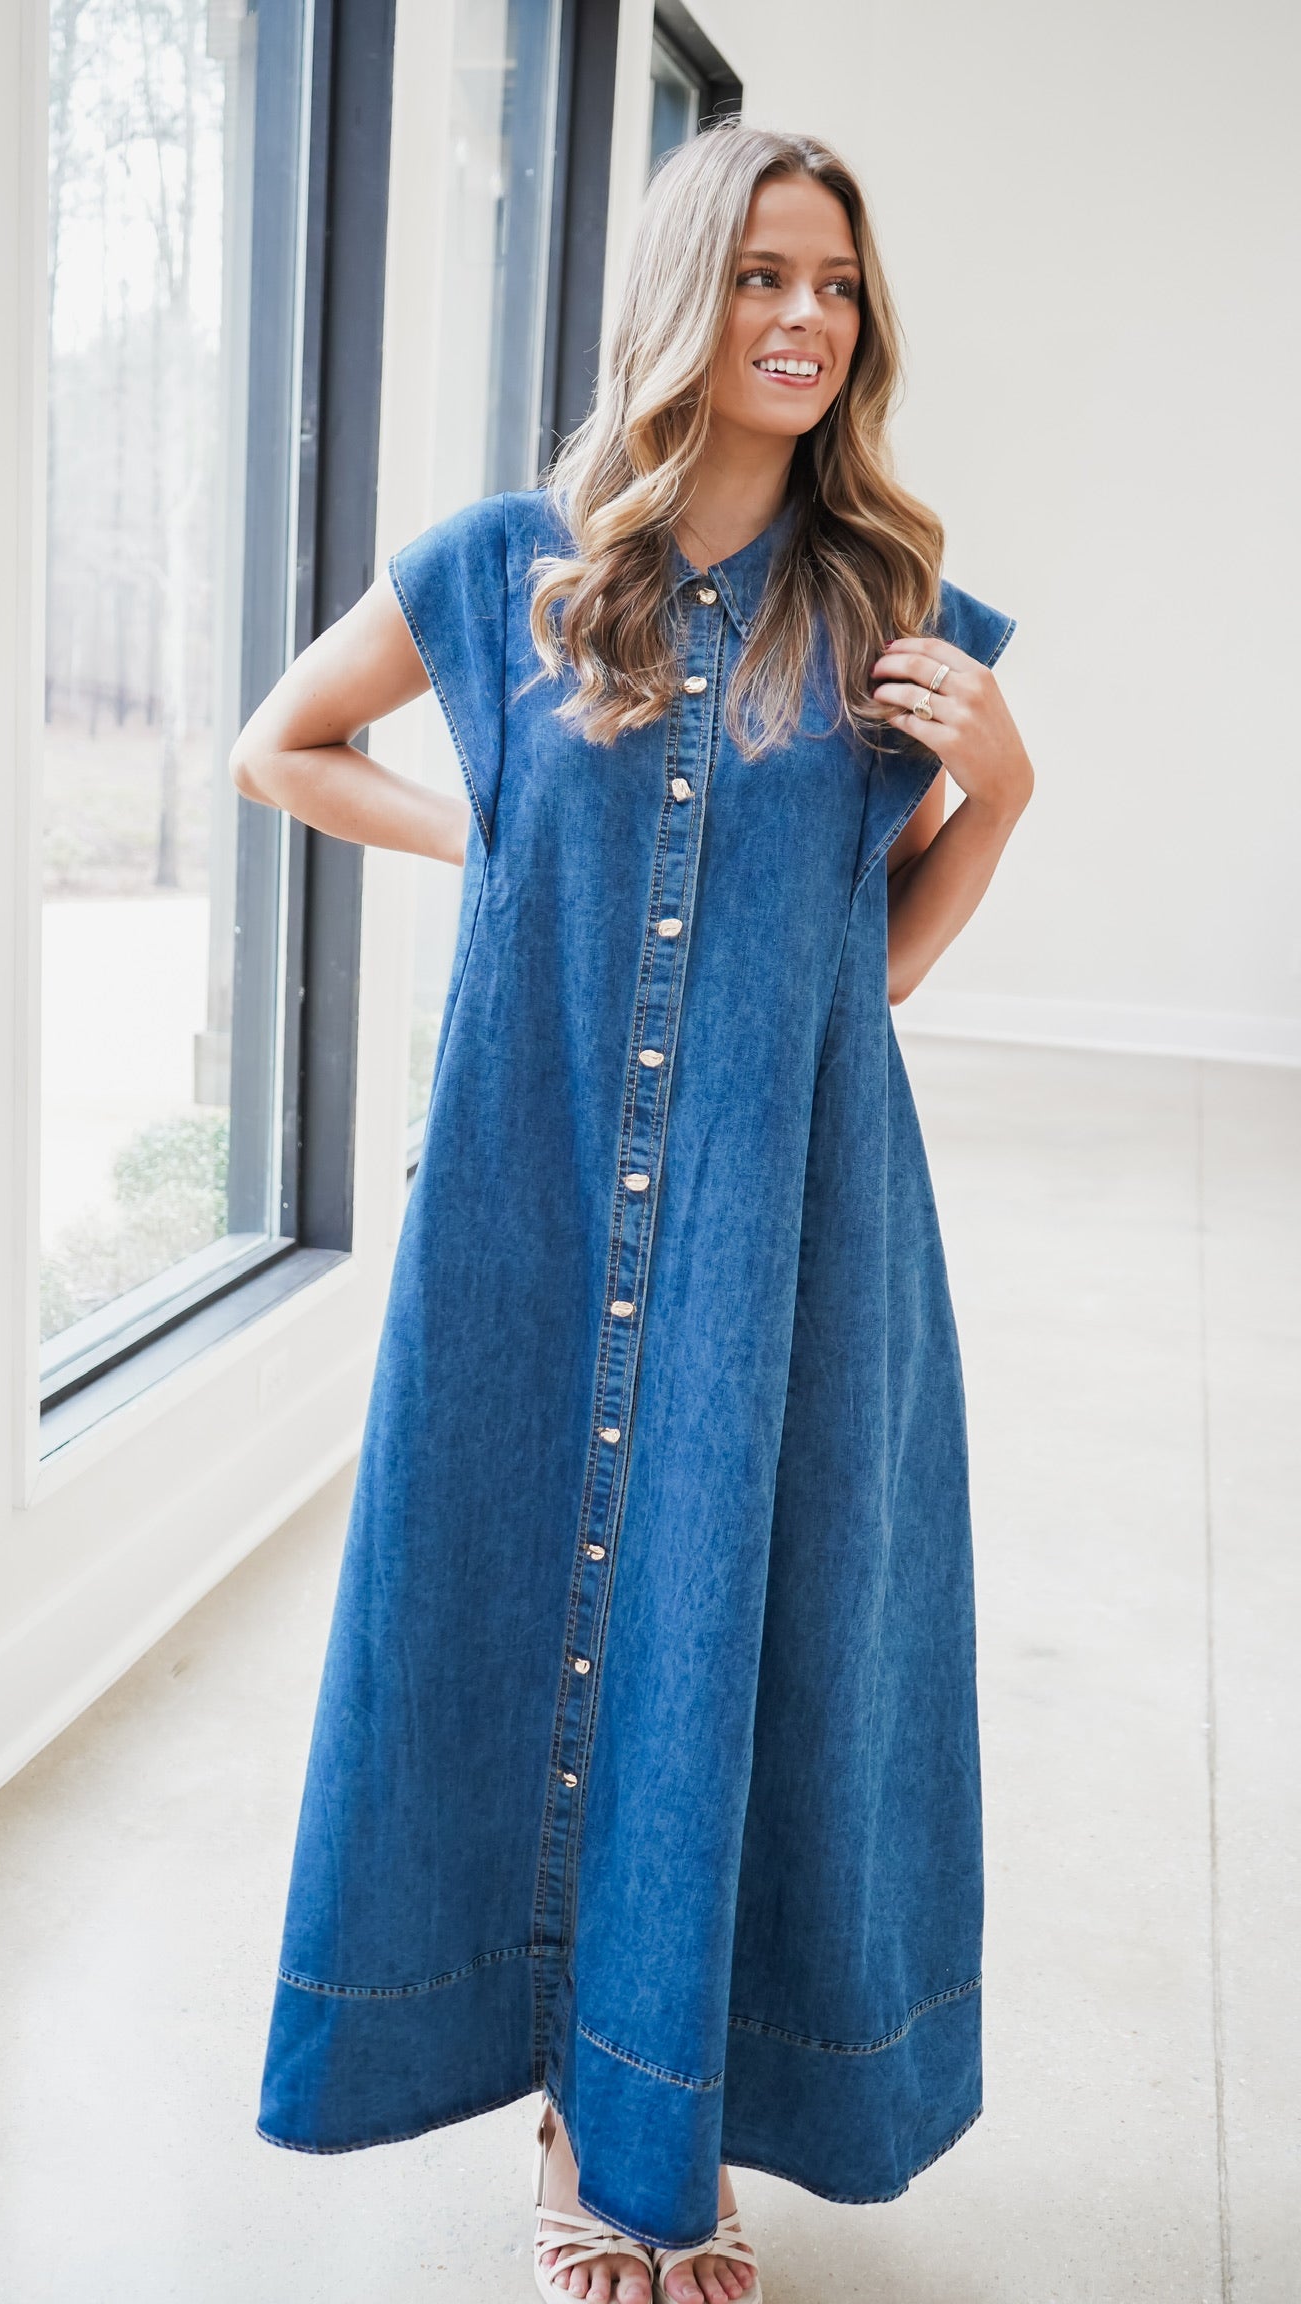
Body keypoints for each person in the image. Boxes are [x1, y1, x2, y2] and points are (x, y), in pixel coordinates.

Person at [231, 122, 1034, 2304]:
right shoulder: (510, 568)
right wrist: (489, 843)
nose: (803, 318)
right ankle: (577, 2115)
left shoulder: (884, 611)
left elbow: (864, 973)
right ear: (684, 295)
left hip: (793, 1222)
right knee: (501, 1615)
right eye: (764, 274)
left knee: (731, 1650)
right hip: (533, 1196)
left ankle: (659, 2118)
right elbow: (282, 745)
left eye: (837, 287)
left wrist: (1001, 795)